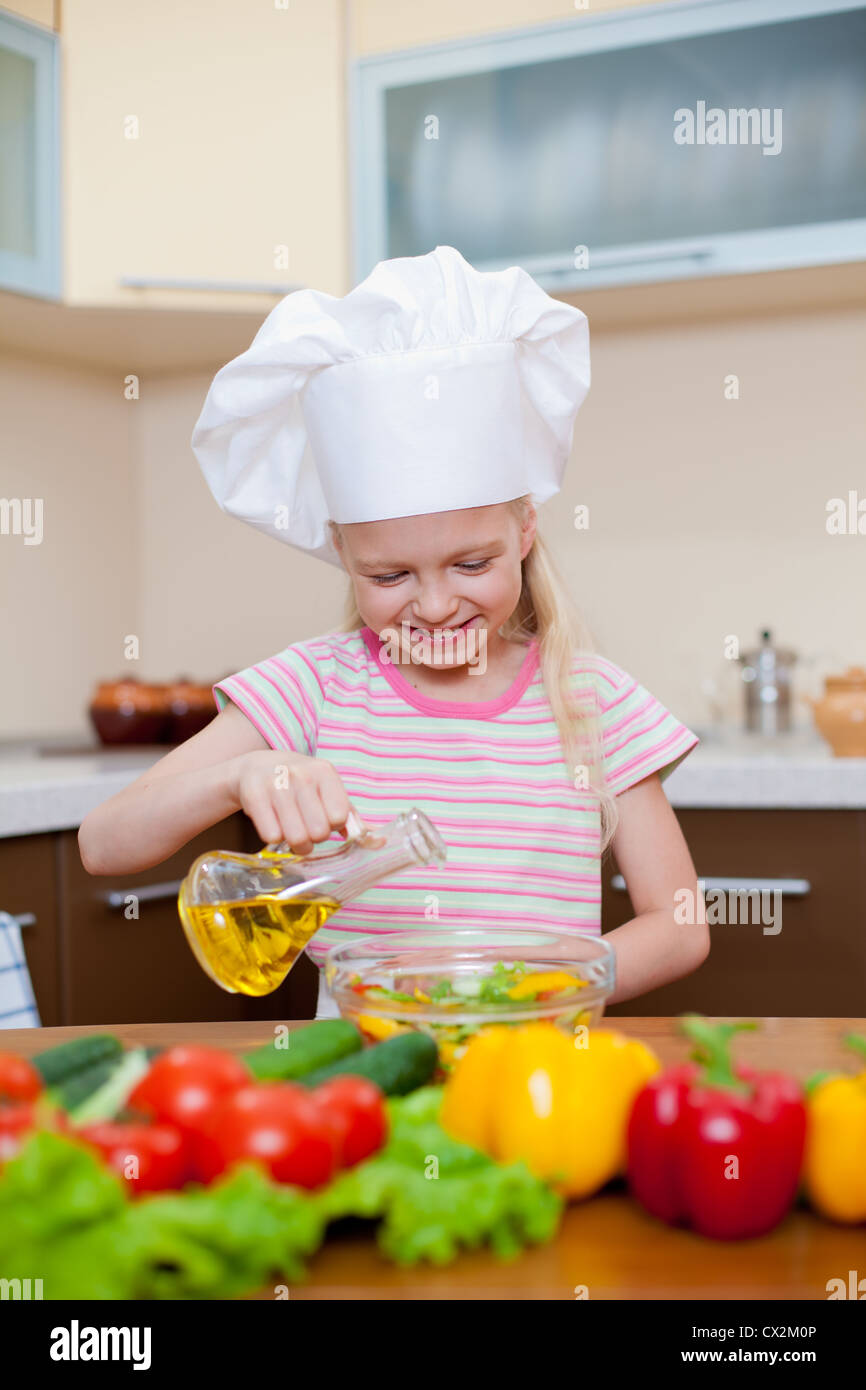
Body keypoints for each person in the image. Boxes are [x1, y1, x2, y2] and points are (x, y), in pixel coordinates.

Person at [79, 245, 707, 1019]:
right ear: (343, 554)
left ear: (525, 532)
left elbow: (680, 929)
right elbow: (103, 844)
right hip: (362, 1076)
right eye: (390, 577)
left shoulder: (590, 697)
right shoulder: (312, 688)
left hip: (537, 1066)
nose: (436, 606)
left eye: (471, 563)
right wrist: (239, 776)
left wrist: (520, 992)